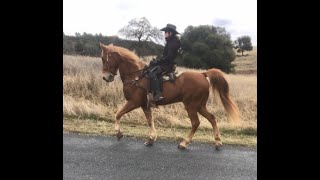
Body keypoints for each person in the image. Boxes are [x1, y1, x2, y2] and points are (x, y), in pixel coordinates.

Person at [148, 23, 181, 102]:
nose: (164, 33)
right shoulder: (170, 42)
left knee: (152, 73)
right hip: (165, 64)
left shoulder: (173, 43)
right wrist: (156, 61)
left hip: (167, 65)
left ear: (170, 33)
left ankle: (158, 94)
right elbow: (165, 56)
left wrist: (157, 62)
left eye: (165, 32)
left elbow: (168, 57)